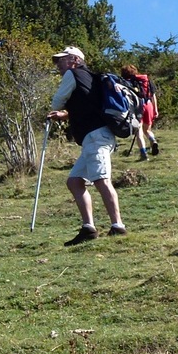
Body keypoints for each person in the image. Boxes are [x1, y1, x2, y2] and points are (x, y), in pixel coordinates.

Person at [47, 46, 127, 246]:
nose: (58, 65)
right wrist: (66, 115)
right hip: (98, 136)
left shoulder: (73, 74)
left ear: (75, 59)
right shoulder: (91, 77)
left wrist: (57, 109)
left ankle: (118, 226)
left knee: (101, 180)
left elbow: (57, 101)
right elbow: (88, 106)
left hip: (95, 136)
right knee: (74, 181)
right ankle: (88, 228)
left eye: (62, 60)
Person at [120, 64, 159, 160]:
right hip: (148, 104)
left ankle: (143, 154)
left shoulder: (126, 82)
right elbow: (153, 95)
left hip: (137, 107)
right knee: (147, 130)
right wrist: (155, 109)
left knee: (139, 132)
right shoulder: (146, 80)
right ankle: (152, 140)